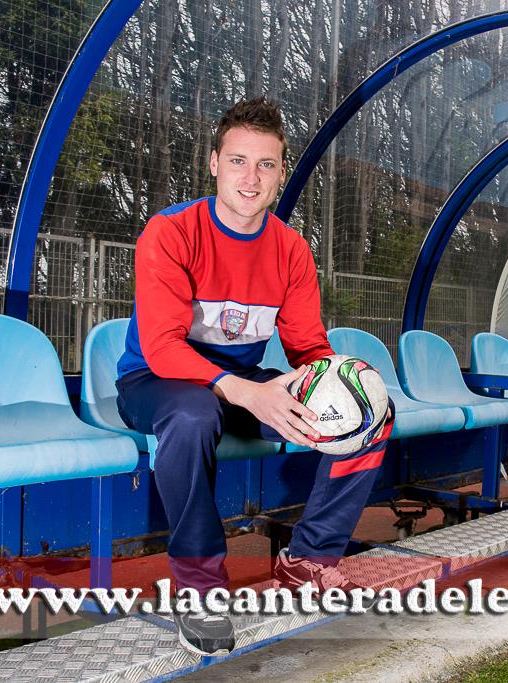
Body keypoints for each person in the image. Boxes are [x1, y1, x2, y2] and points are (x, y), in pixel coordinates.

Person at [115, 97, 393, 656]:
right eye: (238, 161)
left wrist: (339, 384)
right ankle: (199, 587)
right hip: (157, 381)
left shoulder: (290, 250)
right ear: (214, 162)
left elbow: (309, 346)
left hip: (245, 383)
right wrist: (245, 391)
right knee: (194, 415)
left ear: (281, 174)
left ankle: (309, 561)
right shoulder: (171, 232)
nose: (251, 177)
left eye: (266, 164)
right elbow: (164, 347)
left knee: (372, 417)